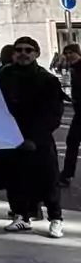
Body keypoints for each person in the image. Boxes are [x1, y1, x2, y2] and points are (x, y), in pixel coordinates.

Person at [0, 37, 65, 238]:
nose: (23, 53)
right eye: (19, 50)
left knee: (48, 179)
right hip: (12, 136)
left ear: (36, 53)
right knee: (15, 178)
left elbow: (53, 114)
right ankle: (21, 216)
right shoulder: (4, 75)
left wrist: (34, 138)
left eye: (29, 50)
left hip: (39, 139)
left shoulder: (47, 79)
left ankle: (56, 219)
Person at [60, 42, 81, 187]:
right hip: (79, 113)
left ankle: (67, 174)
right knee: (72, 142)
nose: (68, 56)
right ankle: (67, 174)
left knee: (72, 142)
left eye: (70, 53)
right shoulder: (73, 68)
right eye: (66, 53)